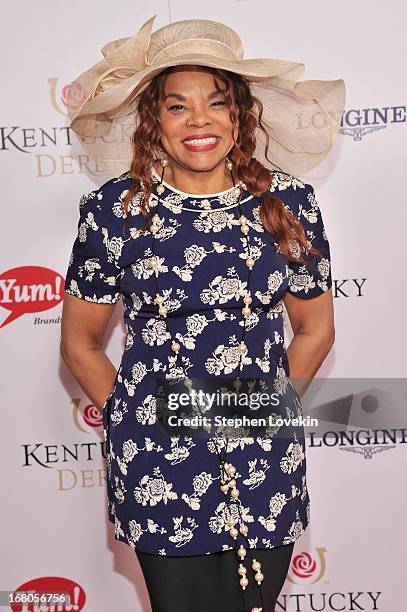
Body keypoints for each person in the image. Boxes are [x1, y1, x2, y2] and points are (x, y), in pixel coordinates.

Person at [60, 16, 345, 612]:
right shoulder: (114, 210)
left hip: (263, 454)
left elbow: (316, 329)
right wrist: (134, 419)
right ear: (152, 121)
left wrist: (265, 413)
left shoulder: (287, 202)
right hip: (158, 459)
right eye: (176, 106)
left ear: (239, 114)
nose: (198, 121)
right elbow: (81, 344)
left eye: (216, 103)